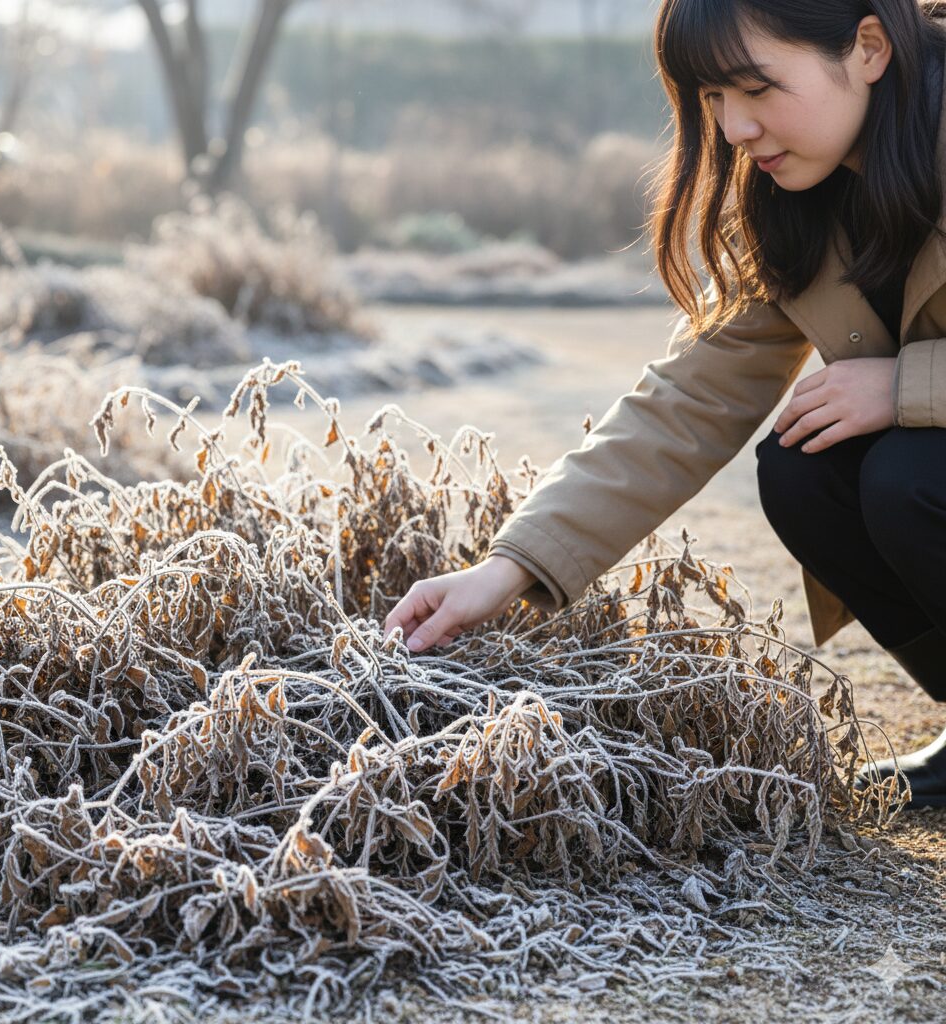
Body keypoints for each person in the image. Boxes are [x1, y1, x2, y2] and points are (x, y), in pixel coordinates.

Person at [382, 0, 946, 809]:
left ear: (867, 47)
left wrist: (903, 388)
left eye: (756, 88)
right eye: (713, 97)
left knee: (906, 474)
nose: (734, 128)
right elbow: (686, 399)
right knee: (806, 467)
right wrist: (506, 569)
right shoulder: (797, 195)